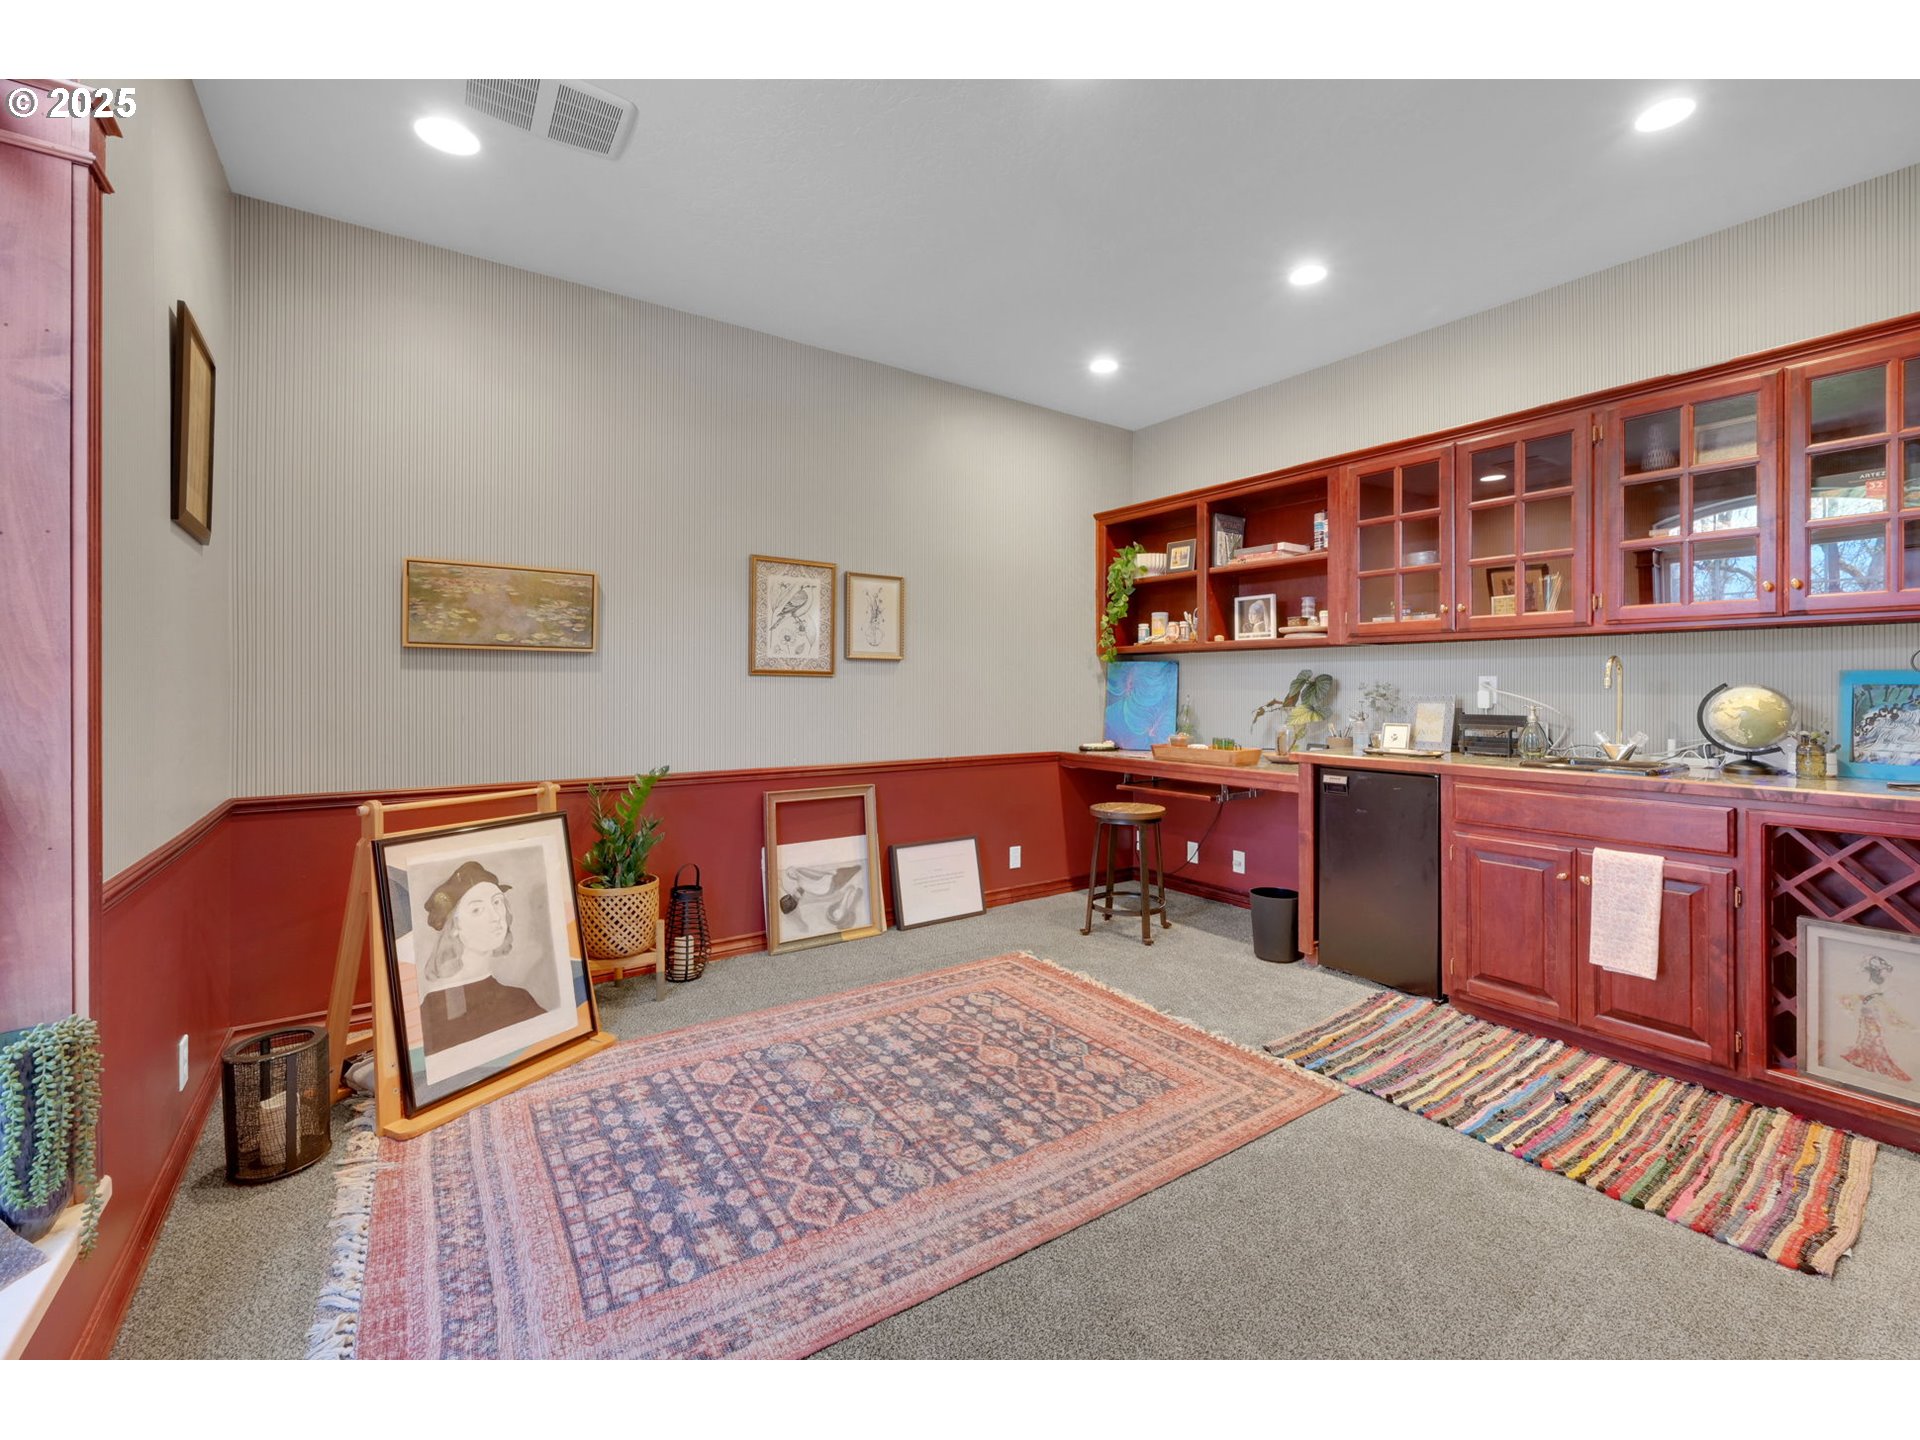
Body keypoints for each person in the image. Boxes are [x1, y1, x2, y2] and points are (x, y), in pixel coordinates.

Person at [416, 860, 547, 1053]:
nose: (495, 916)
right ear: (454, 926)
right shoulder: (434, 1013)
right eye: (477, 909)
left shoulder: (520, 999)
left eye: (497, 902)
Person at [1839, 955, 1914, 1084]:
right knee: (1872, 1041)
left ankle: (1870, 1062)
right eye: (1883, 971)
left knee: (1873, 1041)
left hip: (1873, 1016)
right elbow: (1867, 999)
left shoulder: (1876, 989)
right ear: (1877, 972)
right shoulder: (1871, 988)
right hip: (1870, 1016)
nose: (1886, 975)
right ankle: (1871, 1063)